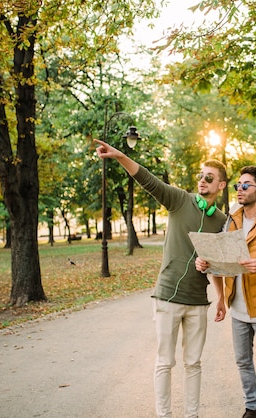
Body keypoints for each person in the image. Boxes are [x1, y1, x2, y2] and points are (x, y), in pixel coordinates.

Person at [94, 138, 228, 418]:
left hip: (197, 301)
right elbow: (148, 180)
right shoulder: (180, 200)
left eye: (209, 177)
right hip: (167, 297)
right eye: (200, 176)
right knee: (165, 362)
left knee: (194, 363)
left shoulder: (221, 221)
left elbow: (219, 263)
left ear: (221, 185)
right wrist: (119, 156)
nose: (202, 181)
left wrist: (221, 297)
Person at [195, 165, 256, 418]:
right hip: (237, 307)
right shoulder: (232, 220)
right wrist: (206, 263)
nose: (239, 189)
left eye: (246, 185)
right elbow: (222, 259)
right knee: (243, 362)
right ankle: (252, 409)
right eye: (238, 185)